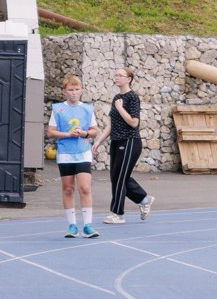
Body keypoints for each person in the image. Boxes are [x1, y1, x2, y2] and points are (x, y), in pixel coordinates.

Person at [47, 76, 101, 238]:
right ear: (64, 92)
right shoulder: (58, 109)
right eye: (70, 90)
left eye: (77, 89)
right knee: (68, 189)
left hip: (83, 152)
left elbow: (94, 130)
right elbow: (51, 132)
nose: (74, 93)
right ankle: (72, 225)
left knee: (85, 187)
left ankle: (88, 225)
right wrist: (67, 134)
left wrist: (84, 133)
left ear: (81, 91)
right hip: (65, 154)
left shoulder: (87, 109)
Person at [104, 66, 150, 224]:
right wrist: (98, 141)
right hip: (116, 141)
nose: (116, 77)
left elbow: (134, 123)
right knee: (116, 177)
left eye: (120, 75)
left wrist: (120, 108)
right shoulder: (116, 97)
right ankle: (144, 199)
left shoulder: (132, 97)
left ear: (128, 79)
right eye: (116, 74)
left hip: (130, 141)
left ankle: (117, 214)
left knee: (120, 178)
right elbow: (111, 124)